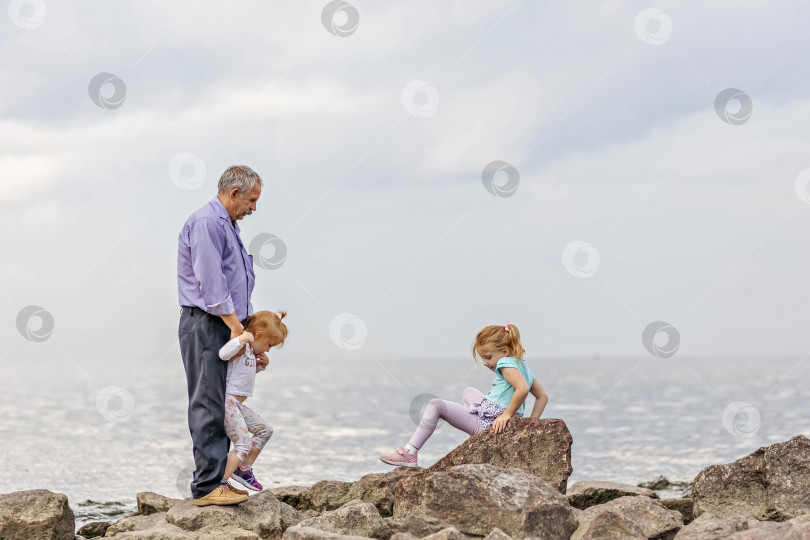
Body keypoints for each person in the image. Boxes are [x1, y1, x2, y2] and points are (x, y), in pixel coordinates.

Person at [177, 165, 268, 506]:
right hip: (209, 323)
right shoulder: (207, 223)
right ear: (234, 194)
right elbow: (212, 285)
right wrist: (236, 328)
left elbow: (235, 283)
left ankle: (218, 480)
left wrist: (249, 339)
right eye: (252, 200)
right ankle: (206, 488)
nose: (254, 208)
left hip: (227, 323)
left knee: (222, 401)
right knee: (208, 402)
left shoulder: (227, 225)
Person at [380, 321, 549, 468]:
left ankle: (409, 453)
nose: (485, 363)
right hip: (498, 417)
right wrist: (530, 424)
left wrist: (506, 415)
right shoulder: (523, 365)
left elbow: (523, 389)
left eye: (488, 357)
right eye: (483, 358)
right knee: (468, 392)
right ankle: (473, 418)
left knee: (436, 405)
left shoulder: (505, 363)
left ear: (504, 351)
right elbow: (543, 397)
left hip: (490, 424)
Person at [219, 310, 288, 492]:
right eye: (269, 345)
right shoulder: (241, 344)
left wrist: (260, 367)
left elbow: (242, 375)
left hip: (237, 405)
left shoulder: (250, 351)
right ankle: (220, 483)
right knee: (243, 444)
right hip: (228, 402)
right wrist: (240, 340)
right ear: (258, 334)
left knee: (265, 430)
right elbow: (223, 355)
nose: (267, 349)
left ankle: (243, 469)